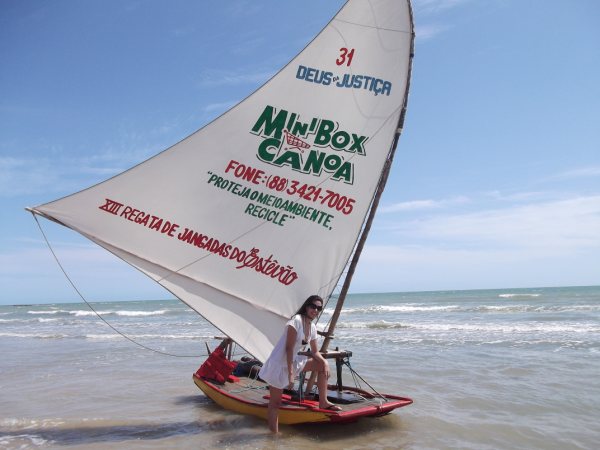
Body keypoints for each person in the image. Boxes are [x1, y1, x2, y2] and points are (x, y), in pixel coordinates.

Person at [258, 295, 341, 433]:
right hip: (279, 364)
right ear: (307, 306)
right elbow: (288, 348)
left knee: (321, 366)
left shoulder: (312, 327)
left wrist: (324, 362)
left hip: (294, 361)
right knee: (275, 403)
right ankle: (273, 437)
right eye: (313, 306)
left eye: (318, 308)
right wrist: (291, 375)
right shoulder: (296, 321)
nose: (315, 310)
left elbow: (315, 352)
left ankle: (323, 402)